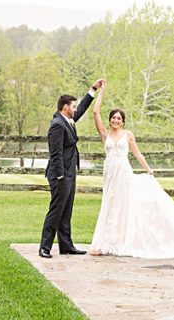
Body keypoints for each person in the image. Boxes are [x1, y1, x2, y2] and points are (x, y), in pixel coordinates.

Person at [88, 84, 174, 258]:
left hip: (124, 174)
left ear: (122, 121)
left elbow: (137, 154)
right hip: (110, 174)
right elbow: (95, 112)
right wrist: (100, 91)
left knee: (124, 207)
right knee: (109, 206)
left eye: (118, 118)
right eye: (113, 118)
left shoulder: (128, 135)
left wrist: (148, 169)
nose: (115, 120)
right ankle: (104, 243)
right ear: (110, 120)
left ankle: (123, 242)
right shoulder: (105, 135)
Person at [40, 78, 105, 258]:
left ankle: (66, 246)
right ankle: (44, 247)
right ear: (65, 107)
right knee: (56, 210)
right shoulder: (57, 125)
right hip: (60, 175)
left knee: (66, 210)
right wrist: (60, 177)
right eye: (73, 106)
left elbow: (83, 108)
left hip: (69, 173)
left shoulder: (67, 120)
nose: (76, 109)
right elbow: (56, 154)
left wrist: (93, 90)